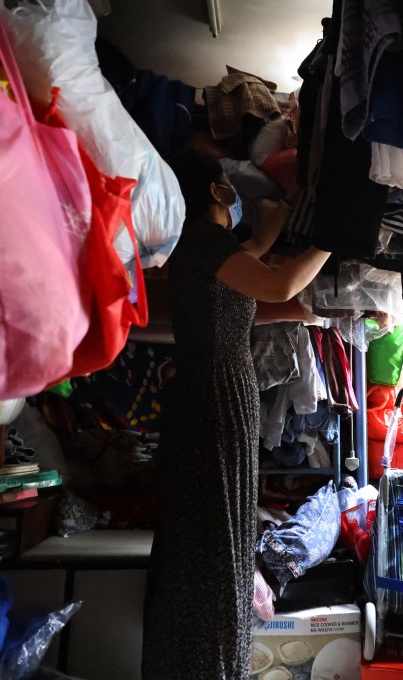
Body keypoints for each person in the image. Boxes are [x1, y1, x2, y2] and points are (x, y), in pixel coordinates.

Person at [141, 148, 331, 680]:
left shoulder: (206, 244)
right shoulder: (202, 243)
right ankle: (207, 662)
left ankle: (203, 657)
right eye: (226, 181)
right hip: (217, 392)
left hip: (218, 387)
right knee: (215, 531)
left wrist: (271, 228)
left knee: (216, 527)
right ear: (214, 191)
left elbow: (249, 255)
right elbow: (277, 285)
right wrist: (338, 234)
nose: (232, 188)